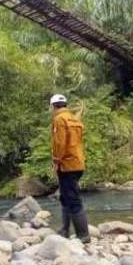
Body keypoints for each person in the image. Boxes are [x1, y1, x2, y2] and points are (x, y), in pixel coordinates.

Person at [50, 94, 90, 243]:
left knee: (72, 197)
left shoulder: (59, 119)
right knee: (65, 196)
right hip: (78, 163)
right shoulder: (75, 119)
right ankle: (64, 230)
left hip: (66, 165)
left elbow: (60, 144)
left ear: (53, 106)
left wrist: (56, 160)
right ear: (65, 104)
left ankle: (83, 235)